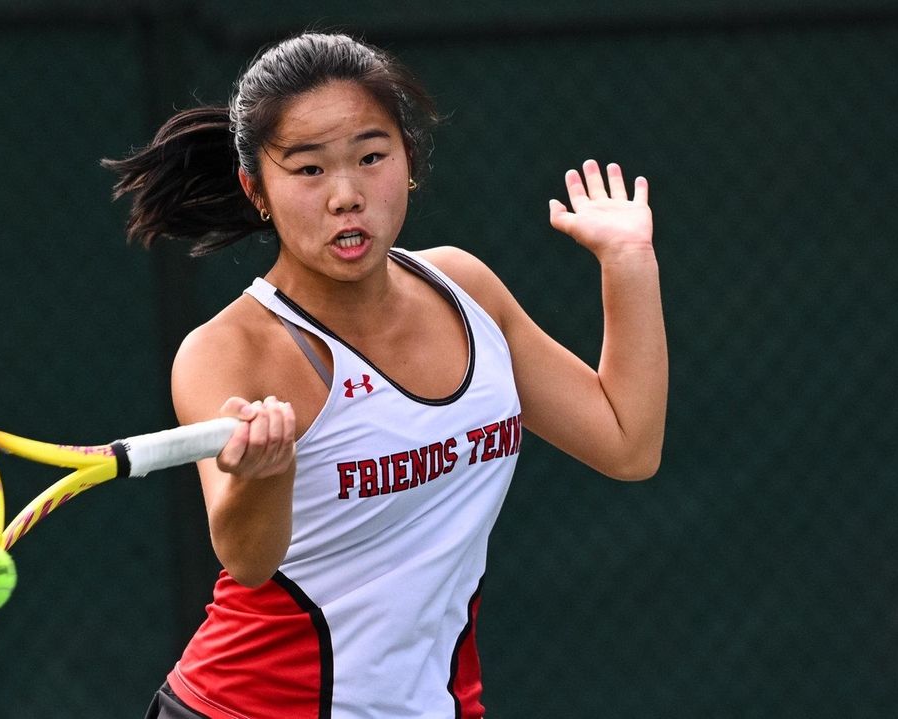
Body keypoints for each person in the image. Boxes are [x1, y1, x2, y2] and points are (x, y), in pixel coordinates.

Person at [105, 31, 667, 719]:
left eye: (371, 157)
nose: (346, 195)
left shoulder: (466, 289)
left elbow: (627, 443)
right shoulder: (227, 351)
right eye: (309, 170)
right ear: (257, 190)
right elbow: (248, 561)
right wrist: (265, 474)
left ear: (409, 161)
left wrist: (629, 262)